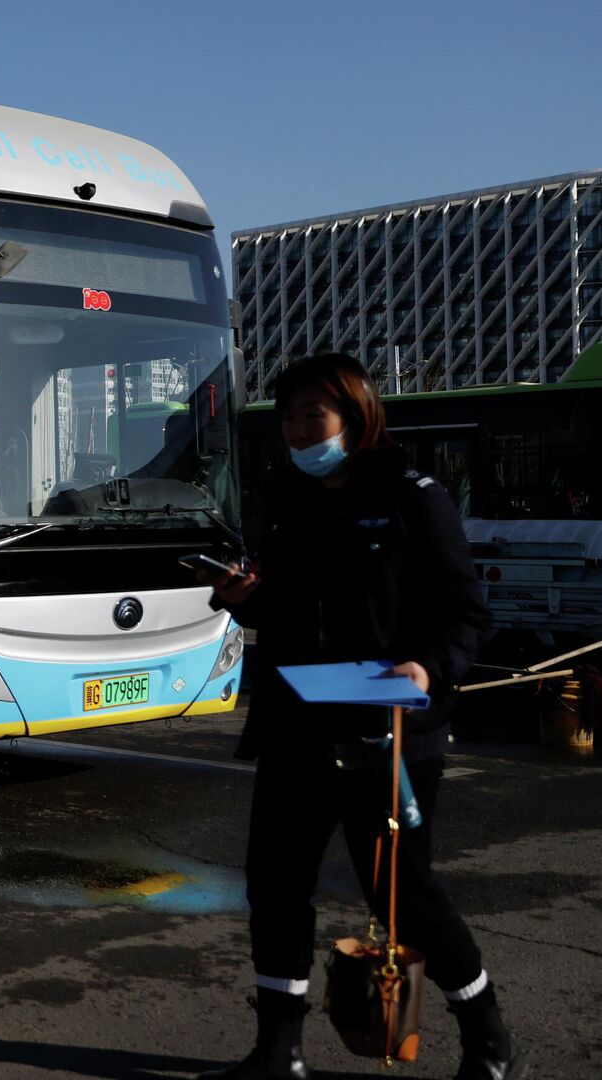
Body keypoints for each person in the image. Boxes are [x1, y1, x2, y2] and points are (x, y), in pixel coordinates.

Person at [198, 354, 525, 1080]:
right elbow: (293, 610)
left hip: (390, 730)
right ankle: (278, 1053)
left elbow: (469, 614)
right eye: (287, 418)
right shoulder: (287, 498)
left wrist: (430, 669)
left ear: (356, 415)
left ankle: (488, 1034)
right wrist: (245, 598)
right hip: (298, 723)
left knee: (401, 895)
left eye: (312, 415)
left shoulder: (415, 498)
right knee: (277, 885)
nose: (296, 431)